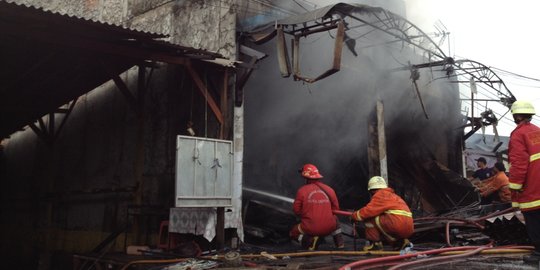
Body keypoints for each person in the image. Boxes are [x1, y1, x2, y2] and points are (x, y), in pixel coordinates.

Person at [508, 100, 540, 263]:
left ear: (517, 115)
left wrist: (514, 189)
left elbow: (519, 164)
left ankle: (538, 252)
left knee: (533, 217)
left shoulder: (518, 134)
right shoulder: (537, 131)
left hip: (533, 187)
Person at [290, 164, 344, 250]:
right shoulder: (329, 190)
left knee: (293, 233)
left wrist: (306, 212)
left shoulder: (301, 191)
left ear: (305, 177)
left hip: (310, 227)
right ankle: (340, 244)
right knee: (335, 221)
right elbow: (336, 209)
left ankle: (310, 241)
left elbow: (296, 211)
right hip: (329, 227)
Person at [351, 176, 413, 251]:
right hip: (409, 227)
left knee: (369, 218)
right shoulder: (394, 196)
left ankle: (375, 245)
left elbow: (368, 211)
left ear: (372, 190)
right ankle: (400, 242)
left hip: (397, 224)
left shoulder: (380, 195)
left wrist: (354, 216)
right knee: (383, 219)